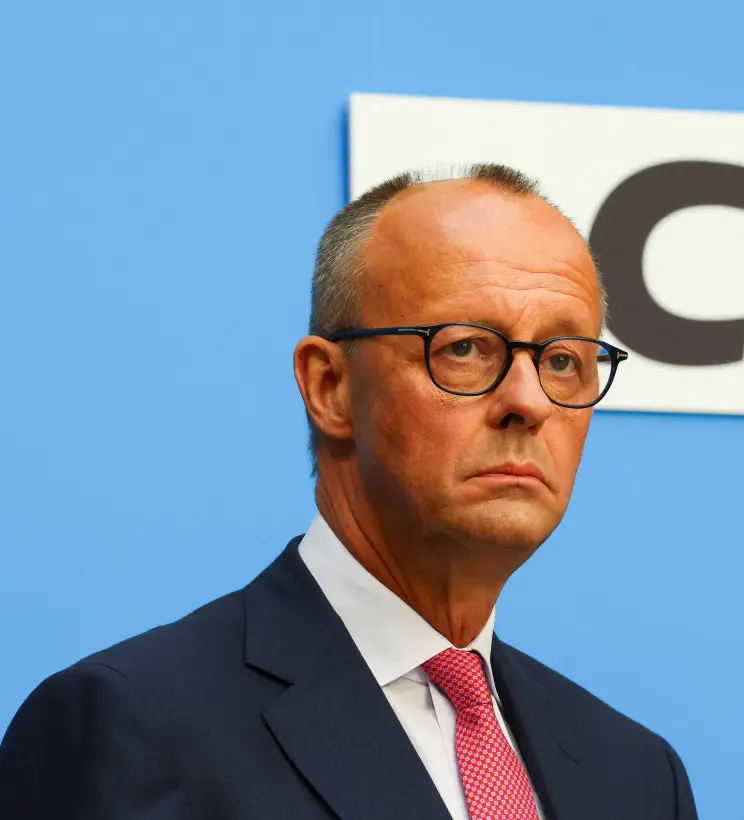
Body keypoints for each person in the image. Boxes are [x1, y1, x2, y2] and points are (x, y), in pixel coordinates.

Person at [0, 164, 698, 820]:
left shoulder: (634, 776)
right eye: (464, 348)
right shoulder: (131, 725)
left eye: (563, 360)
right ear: (330, 388)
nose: (528, 401)